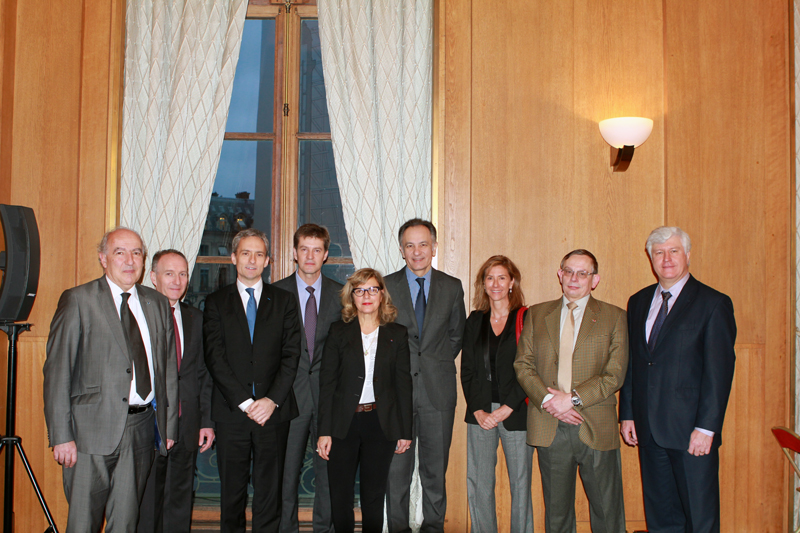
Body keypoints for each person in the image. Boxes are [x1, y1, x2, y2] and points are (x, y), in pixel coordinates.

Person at [43, 227, 178, 532]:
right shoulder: (78, 300)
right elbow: (57, 372)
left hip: (142, 431)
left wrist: (167, 426)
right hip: (89, 434)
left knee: (126, 523)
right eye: (120, 252)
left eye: (137, 253)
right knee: (83, 524)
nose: (130, 260)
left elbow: (167, 369)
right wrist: (61, 435)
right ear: (103, 259)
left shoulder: (156, 303)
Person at [619, 227, 736, 533]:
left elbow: (719, 372)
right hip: (648, 430)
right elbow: (635, 363)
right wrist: (628, 413)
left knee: (699, 518)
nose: (666, 258)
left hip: (691, 434)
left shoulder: (713, 303)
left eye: (673, 251)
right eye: (658, 252)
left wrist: (706, 428)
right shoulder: (639, 301)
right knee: (661, 518)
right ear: (650, 258)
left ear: (687, 255)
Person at [514, 249, 628, 533]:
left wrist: (572, 400)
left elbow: (615, 375)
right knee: (556, 515)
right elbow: (523, 364)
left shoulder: (615, 317)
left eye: (583, 273)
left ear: (595, 279)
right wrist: (552, 401)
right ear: (559, 274)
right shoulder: (537, 314)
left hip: (595, 424)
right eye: (568, 271)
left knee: (607, 512)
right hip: (550, 423)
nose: (574, 278)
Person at [203, 228, 302, 533]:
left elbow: (291, 355)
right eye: (245, 253)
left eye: (259, 254)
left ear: (268, 260)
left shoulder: (284, 301)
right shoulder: (216, 301)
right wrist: (247, 403)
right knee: (232, 494)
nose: (252, 260)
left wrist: (270, 400)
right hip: (232, 413)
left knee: (269, 494)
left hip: (274, 414)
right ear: (233, 257)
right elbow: (214, 358)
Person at [383, 218, 466, 533]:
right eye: (409, 245)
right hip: (396, 396)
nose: (416, 251)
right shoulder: (386, 287)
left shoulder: (451, 286)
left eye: (422, 244)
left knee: (434, 472)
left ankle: (433, 527)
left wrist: (436, 361)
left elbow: (457, 335)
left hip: (438, 393)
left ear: (433, 247)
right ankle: (399, 529)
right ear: (402, 250)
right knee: (396, 472)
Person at [316, 268, 413, 533]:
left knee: (373, 494)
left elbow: (404, 385)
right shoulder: (337, 332)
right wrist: (323, 431)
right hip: (342, 423)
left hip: (379, 423)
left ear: (382, 295)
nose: (366, 295)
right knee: (341, 494)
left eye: (372, 289)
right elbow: (327, 384)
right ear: (352, 297)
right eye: (360, 290)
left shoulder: (397, 333)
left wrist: (404, 431)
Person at [138, 249, 215, 533]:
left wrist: (206, 422)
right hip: (148, 424)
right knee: (148, 500)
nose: (177, 280)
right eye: (169, 273)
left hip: (187, 422)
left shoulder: (196, 317)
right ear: (153, 277)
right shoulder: (139, 316)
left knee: (180, 497)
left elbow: (204, 374)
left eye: (183, 274)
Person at [273, 224, 343, 533]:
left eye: (317, 250)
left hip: (329, 399)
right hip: (289, 399)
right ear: (294, 253)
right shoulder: (275, 293)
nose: (310, 256)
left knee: (328, 475)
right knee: (285, 476)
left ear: (326, 254)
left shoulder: (342, 295)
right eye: (304, 249)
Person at [461, 255, 533, 533]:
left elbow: (530, 370)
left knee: (520, 483)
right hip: (480, 413)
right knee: (479, 482)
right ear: (483, 283)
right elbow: (466, 370)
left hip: (515, 412)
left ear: (512, 282)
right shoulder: (474, 320)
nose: (496, 284)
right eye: (490, 278)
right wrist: (479, 409)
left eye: (502, 277)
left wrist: (507, 407)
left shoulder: (526, 318)